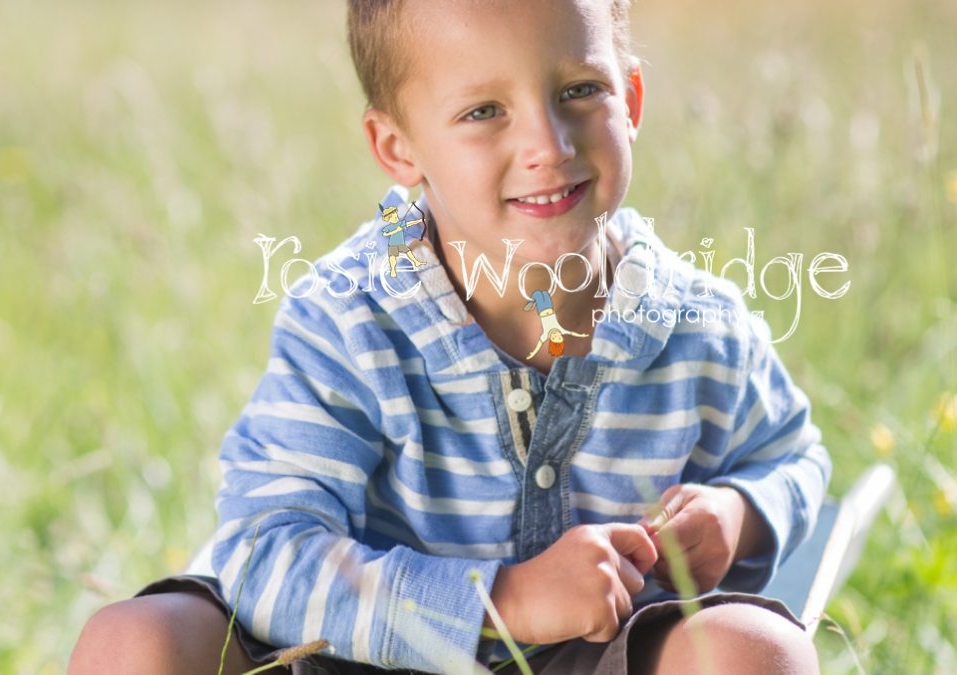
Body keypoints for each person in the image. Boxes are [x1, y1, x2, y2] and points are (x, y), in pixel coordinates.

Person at [69, 1, 832, 673]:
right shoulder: (349, 319)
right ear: (398, 148)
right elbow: (263, 548)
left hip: (602, 657)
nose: (548, 144)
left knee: (758, 652)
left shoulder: (698, 324)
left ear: (629, 99)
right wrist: (504, 600)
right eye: (483, 111)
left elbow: (792, 457)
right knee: (132, 643)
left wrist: (738, 512)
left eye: (579, 90)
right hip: (359, 656)